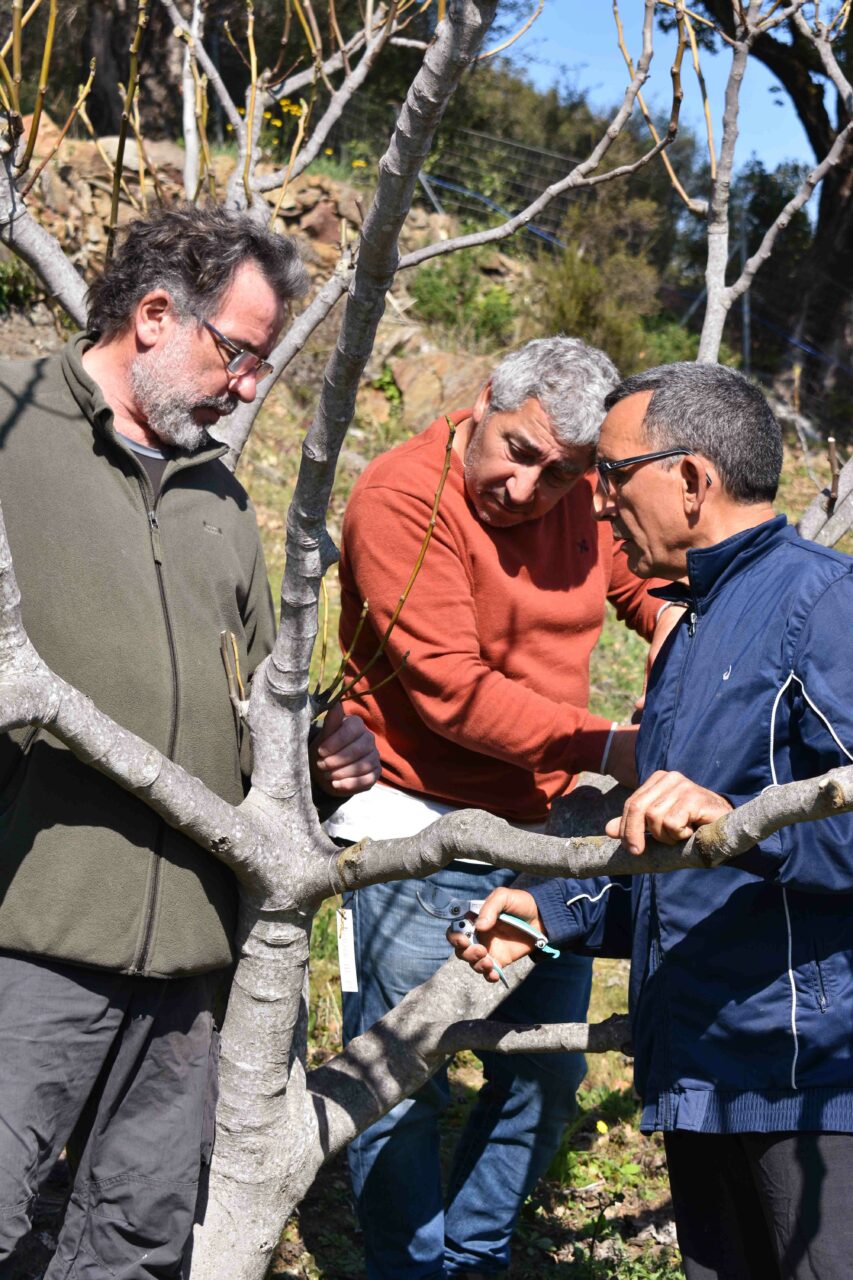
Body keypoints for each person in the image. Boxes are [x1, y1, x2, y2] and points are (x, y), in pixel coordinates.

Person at [0, 205, 379, 1279]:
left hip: (189, 970)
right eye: (241, 353)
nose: (250, 386)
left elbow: (262, 697)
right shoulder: (10, 423)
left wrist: (316, 751)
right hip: (27, 929)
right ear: (156, 316)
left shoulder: (218, 493)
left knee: (133, 1239)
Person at [452, 362, 853, 1280]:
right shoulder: (691, 633)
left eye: (611, 476)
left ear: (688, 478)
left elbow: (763, 835)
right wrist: (548, 916)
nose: (593, 507)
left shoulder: (822, 606)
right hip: (699, 1077)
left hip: (808, 1086)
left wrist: (744, 822)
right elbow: (682, 870)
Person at [325, 336, 677, 1279]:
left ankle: (474, 1257)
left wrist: (677, 633)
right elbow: (450, 690)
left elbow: (644, 583)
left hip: (542, 837)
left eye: (562, 475)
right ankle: (409, 1269)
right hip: (416, 824)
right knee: (401, 1080)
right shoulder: (403, 497)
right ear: (485, 401)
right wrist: (612, 745)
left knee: (543, 1070)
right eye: (518, 453)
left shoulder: (584, 500)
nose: (527, 491)